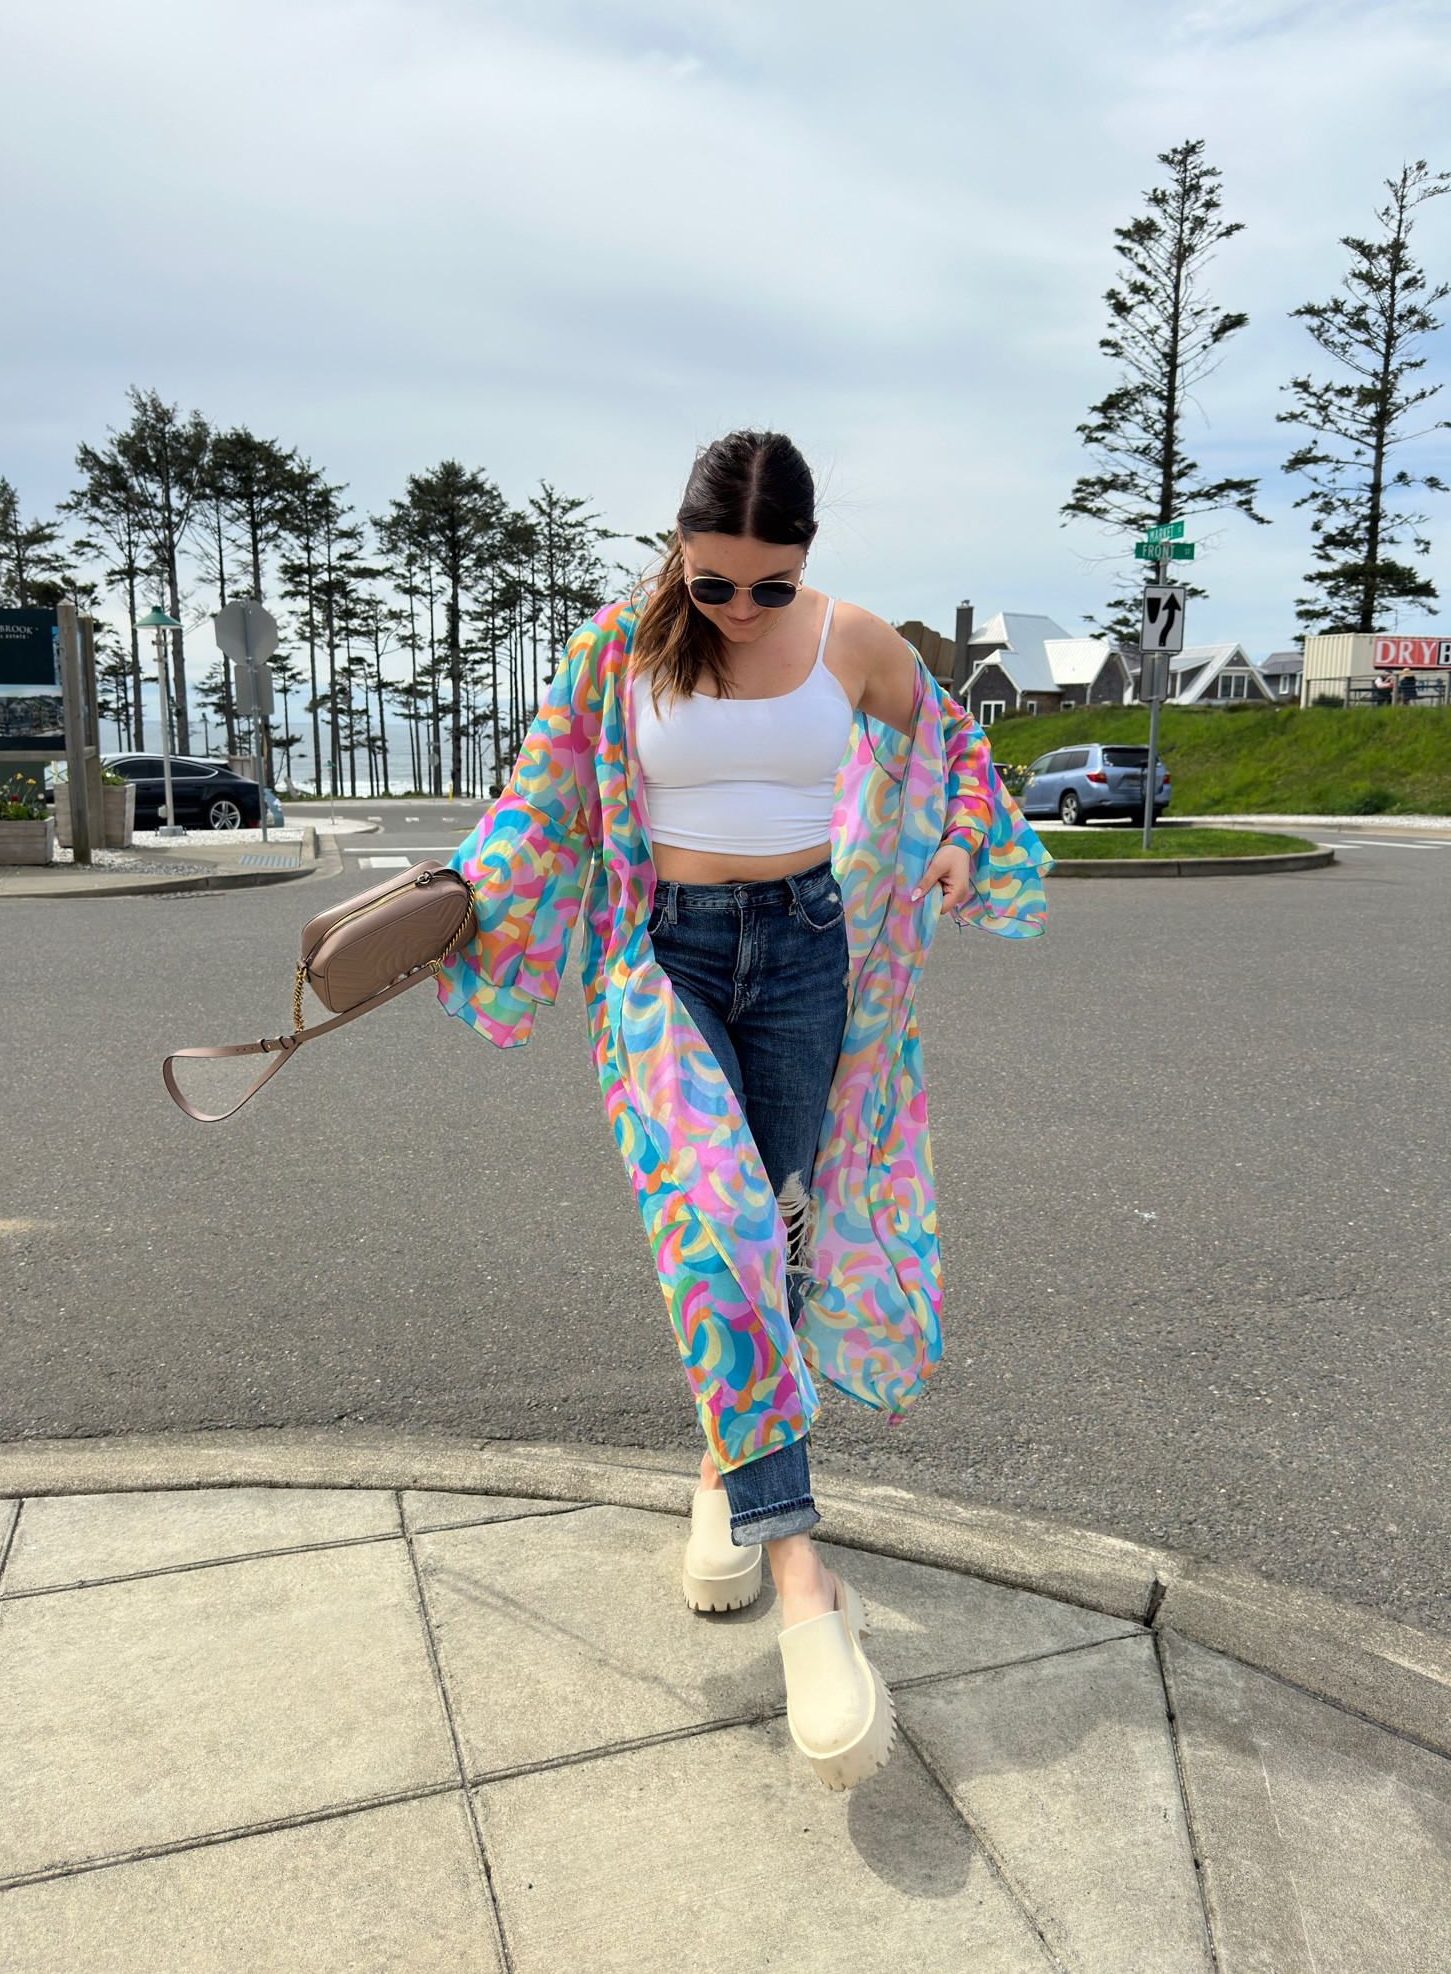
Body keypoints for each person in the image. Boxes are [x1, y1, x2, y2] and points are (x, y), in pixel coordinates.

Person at [440, 431, 1049, 1790]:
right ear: (679, 550)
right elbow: (538, 808)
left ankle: (726, 1465)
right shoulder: (617, 652)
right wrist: (455, 909)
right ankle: (804, 1579)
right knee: (711, 1218)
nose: (739, 611)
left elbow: (954, 750)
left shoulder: (855, 643)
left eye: (769, 588)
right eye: (715, 582)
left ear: (807, 567)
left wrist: (953, 841)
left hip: (808, 952)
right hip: (665, 957)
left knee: (768, 1232)